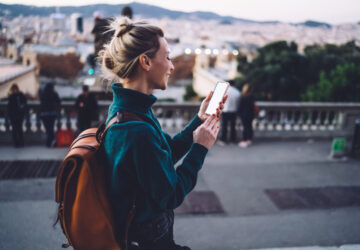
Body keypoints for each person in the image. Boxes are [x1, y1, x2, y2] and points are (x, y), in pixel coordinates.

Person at [99, 17, 227, 250]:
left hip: (135, 232)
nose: (172, 66)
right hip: (148, 238)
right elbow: (170, 195)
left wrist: (199, 121)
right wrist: (200, 149)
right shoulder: (137, 130)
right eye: (167, 57)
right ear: (145, 62)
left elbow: (163, 154)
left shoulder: (126, 111)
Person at [39, 82, 61, 147]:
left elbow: (41, 103)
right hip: (51, 114)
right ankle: (50, 142)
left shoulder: (43, 94)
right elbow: (58, 101)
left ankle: (49, 142)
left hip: (44, 114)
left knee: (48, 129)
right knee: (51, 129)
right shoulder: (54, 94)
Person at [237, 83, 255, 148]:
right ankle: (249, 139)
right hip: (251, 114)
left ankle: (245, 140)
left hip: (244, 114)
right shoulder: (252, 96)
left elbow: (240, 106)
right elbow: (253, 106)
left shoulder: (243, 96)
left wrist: (238, 113)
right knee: (249, 126)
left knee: (245, 127)